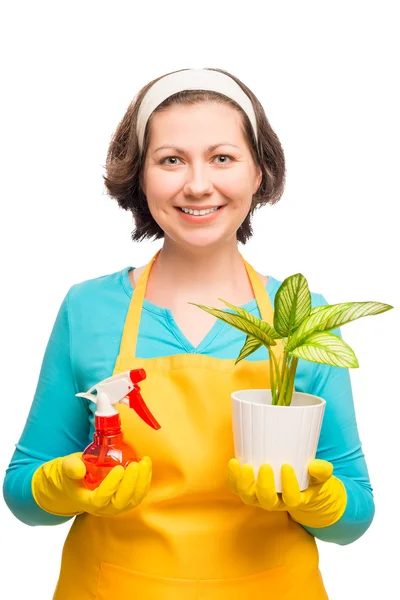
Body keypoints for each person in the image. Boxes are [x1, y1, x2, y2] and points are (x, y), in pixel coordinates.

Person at [3, 68, 374, 600]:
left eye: (222, 157)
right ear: (140, 175)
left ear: (259, 173)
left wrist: (323, 502)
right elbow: (21, 494)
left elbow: (356, 513)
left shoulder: (303, 324)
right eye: (171, 159)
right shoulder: (87, 309)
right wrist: (59, 486)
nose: (198, 184)